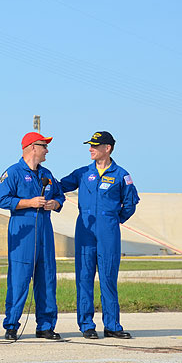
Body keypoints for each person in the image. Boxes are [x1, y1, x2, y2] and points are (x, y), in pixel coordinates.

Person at [60, 131, 140, 340]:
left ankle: (112, 325)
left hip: (108, 231)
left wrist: (114, 220)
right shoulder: (83, 173)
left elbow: (131, 203)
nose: (90, 149)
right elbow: (59, 186)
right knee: (84, 278)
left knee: (108, 278)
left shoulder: (121, 175)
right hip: (85, 230)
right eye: (90, 145)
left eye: (95, 146)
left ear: (108, 148)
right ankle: (86, 325)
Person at [0, 132, 65, 341]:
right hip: (23, 232)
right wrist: (29, 202)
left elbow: (59, 195)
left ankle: (45, 326)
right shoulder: (14, 172)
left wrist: (55, 204)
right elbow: (3, 200)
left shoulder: (47, 173)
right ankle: (11, 325)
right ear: (32, 147)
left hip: (45, 231)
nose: (47, 149)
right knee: (19, 280)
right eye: (44, 145)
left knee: (46, 279)